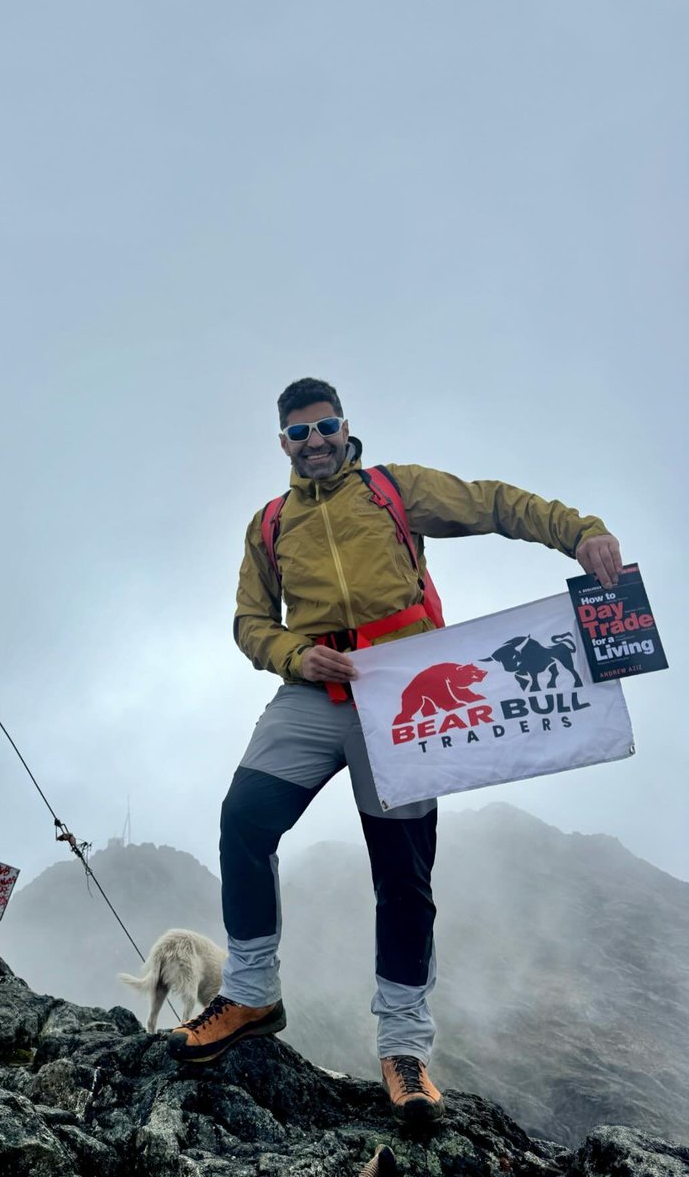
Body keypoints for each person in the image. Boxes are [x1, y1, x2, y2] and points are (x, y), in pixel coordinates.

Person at [168, 377, 622, 1124]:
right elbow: (250, 621)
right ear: (281, 442)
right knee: (244, 820)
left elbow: (493, 502)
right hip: (314, 691)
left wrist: (582, 531)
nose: (315, 441)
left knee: (402, 869)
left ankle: (405, 1050)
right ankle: (250, 995)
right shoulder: (270, 524)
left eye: (327, 426)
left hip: (405, 692)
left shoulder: (393, 490)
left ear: (347, 429)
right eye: (299, 433)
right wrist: (293, 654)